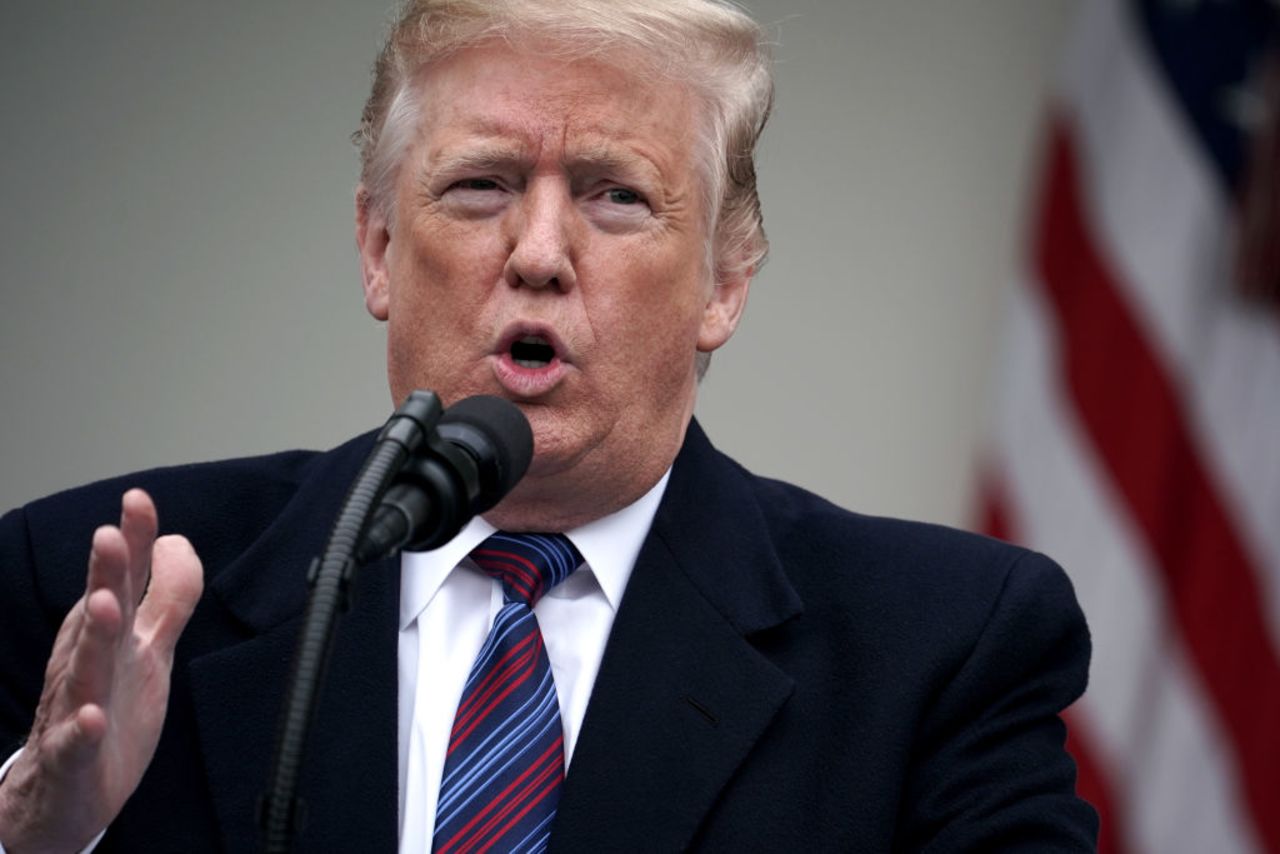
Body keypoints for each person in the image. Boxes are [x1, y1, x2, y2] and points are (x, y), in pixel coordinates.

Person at [0, 0, 1099, 851]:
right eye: (479, 185)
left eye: (614, 194)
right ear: (378, 249)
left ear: (723, 278)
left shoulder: (941, 648)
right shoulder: (98, 589)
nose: (535, 252)